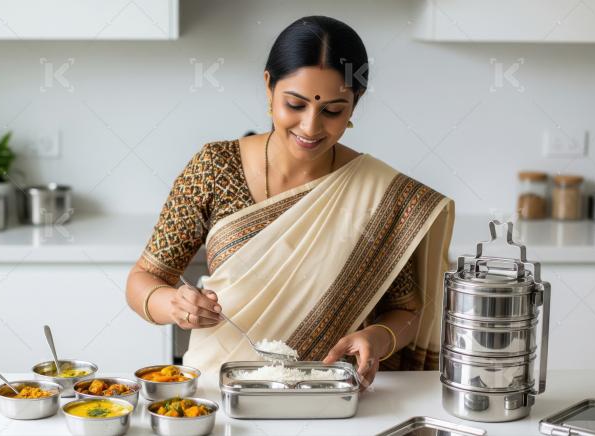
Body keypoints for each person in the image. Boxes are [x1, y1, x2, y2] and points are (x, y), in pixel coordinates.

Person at [126, 15, 454, 388]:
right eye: (295, 104)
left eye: (333, 110)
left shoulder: (379, 193)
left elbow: (408, 312)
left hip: (329, 396)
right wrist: (174, 305)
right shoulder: (215, 168)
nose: (311, 127)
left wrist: (377, 338)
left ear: (355, 103)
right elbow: (143, 279)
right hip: (220, 389)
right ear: (269, 87)